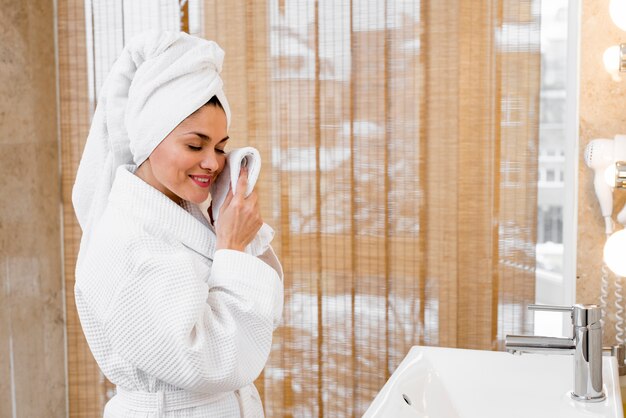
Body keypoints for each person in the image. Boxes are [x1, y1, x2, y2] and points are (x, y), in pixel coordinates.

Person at [72, 30, 283, 417]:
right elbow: (213, 361)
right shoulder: (125, 243)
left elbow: (264, 318)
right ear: (151, 138)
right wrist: (230, 248)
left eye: (220, 147)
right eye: (195, 145)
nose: (213, 163)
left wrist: (224, 228)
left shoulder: (184, 216)